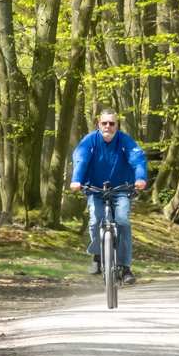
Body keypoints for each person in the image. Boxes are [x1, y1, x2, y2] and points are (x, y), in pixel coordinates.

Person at [69, 108, 148, 285]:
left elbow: (137, 158)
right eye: (104, 123)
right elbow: (81, 159)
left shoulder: (124, 141)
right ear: (99, 124)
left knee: (122, 221)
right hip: (95, 188)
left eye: (112, 123)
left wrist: (141, 178)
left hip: (121, 189)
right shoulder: (89, 141)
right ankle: (98, 255)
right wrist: (76, 180)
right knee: (95, 219)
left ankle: (125, 267)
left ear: (117, 125)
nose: (108, 126)